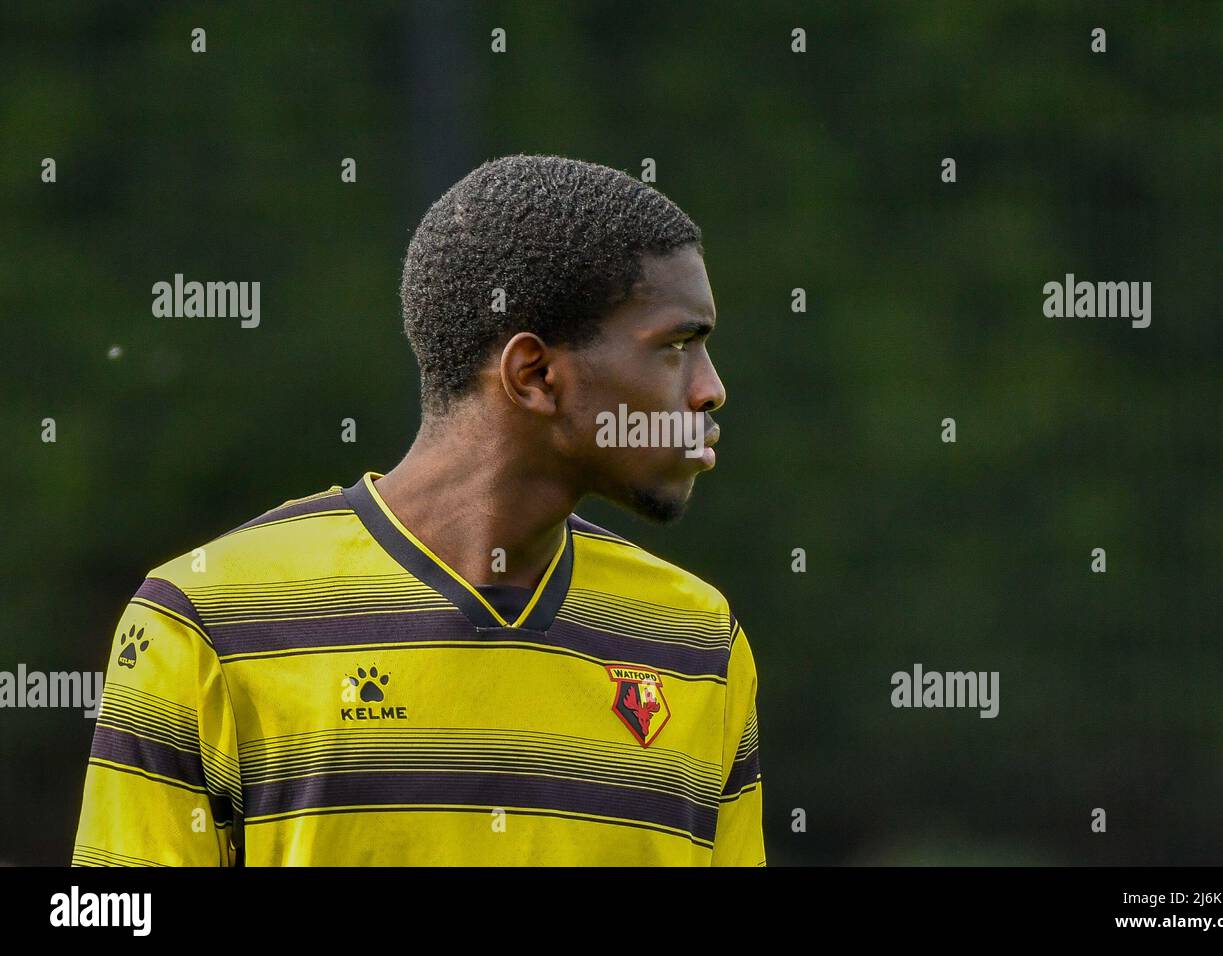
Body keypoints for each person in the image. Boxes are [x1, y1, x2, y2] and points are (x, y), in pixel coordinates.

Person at [72, 154, 764, 866]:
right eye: (677, 347)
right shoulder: (205, 621)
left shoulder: (697, 642)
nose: (710, 391)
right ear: (534, 375)